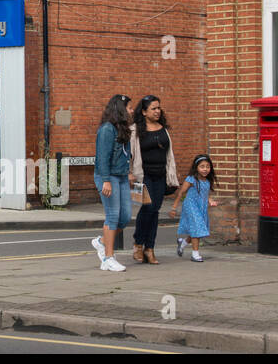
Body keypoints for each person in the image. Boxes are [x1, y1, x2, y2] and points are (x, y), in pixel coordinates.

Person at [129, 95, 178, 265]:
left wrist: (171, 174)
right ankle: (138, 244)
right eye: (153, 109)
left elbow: (168, 154)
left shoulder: (163, 128)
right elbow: (130, 154)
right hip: (143, 176)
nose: (157, 111)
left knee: (155, 210)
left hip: (161, 175)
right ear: (143, 112)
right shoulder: (135, 130)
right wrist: (129, 173)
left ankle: (149, 248)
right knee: (148, 207)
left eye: (159, 108)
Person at [91, 93, 133, 272]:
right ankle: (108, 258)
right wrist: (106, 181)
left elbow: (123, 155)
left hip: (121, 176)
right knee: (113, 216)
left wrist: (128, 172)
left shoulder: (122, 129)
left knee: (125, 217)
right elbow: (102, 157)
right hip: (107, 176)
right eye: (129, 107)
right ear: (121, 109)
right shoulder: (107, 129)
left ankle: (101, 241)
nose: (132, 110)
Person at [169, 154, 217, 262]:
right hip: (191, 205)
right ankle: (195, 254)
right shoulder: (191, 179)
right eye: (202, 166)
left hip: (202, 207)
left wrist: (210, 201)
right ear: (196, 168)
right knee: (197, 228)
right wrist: (174, 208)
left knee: (197, 230)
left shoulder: (207, 181)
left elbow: (206, 194)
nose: (205, 169)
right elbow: (181, 193)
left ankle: (183, 243)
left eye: (208, 167)